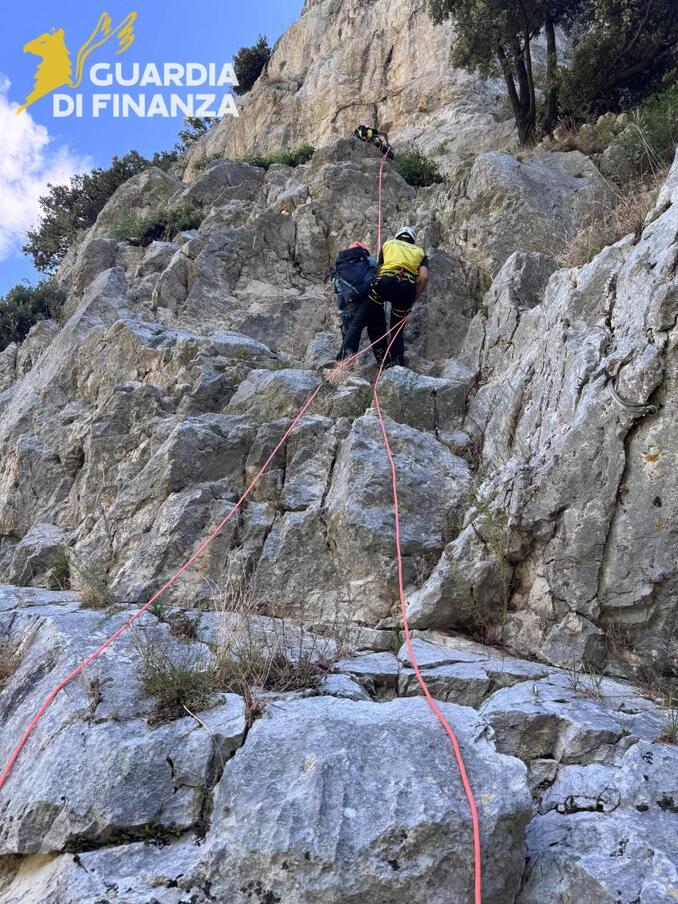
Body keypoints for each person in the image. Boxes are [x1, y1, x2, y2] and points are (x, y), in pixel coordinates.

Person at [339, 226, 429, 367]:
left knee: (358, 321)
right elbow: (423, 277)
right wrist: (412, 300)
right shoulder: (420, 253)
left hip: (384, 285)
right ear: (412, 240)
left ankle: (343, 359)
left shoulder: (388, 244)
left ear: (398, 236)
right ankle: (397, 364)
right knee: (396, 331)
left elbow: (379, 268)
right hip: (406, 290)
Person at [331, 241, 377, 350]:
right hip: (366, 304)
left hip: (347, 308)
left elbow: (336, 288)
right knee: (376, 331)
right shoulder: (370, 261)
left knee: (349, 338)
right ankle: (382, 357)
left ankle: (347, 358)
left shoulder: (342, 264)